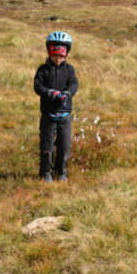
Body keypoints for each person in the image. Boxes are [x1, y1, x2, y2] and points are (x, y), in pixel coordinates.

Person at [33, 30, 79, 182]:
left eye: (61, 56)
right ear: (49, 53)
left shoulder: (69, 70)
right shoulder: (43, 69)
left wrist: (68, 93)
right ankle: (45, 173)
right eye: (54, 56)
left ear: (65, 55)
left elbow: (74, 84)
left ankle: (62, 172)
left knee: (64, 146)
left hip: (64, 115)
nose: (57, 59)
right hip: (48, 115)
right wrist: (49, 92)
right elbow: (37, 86)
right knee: (47, 146)